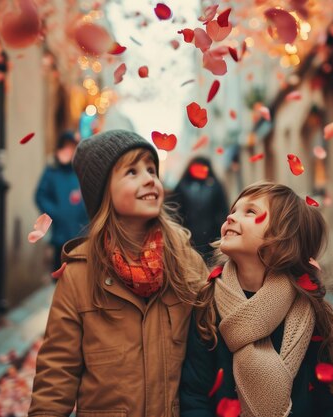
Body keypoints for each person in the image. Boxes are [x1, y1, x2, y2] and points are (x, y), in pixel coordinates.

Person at [28, 130, 208, 417]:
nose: (150, 178)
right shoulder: (79, 276)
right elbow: (56, 376)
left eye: (151, 169)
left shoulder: (186, 265)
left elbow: (210, 349)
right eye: (132, 172)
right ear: (104, 193)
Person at [180, 182, 333, 417]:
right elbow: (194, 395)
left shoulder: (308, 308)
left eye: (250, 212)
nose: (231, 217)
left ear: (283, 236)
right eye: (234, 210)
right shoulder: (208, 303)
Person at [34, 131, 89, 271]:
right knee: (60, 277)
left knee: (81, 276)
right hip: (61, 236)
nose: (68, 151)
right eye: (65, 147)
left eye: (71, 147)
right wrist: (56, 213)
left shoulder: (81, 171)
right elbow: (40, 196)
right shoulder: (52, 172)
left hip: (82, 236)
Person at [169, 156, 228, 262]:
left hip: (212, 235)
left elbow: (223, 210)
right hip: (188, 235)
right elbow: (174, 210)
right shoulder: (182, 185)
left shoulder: (215, 186)